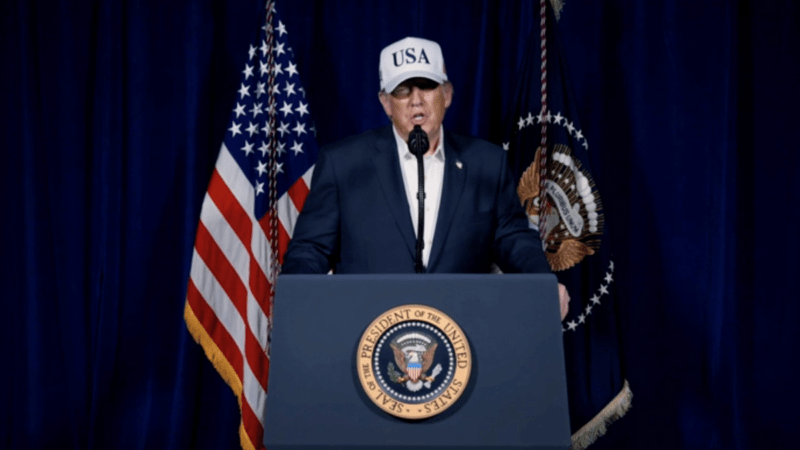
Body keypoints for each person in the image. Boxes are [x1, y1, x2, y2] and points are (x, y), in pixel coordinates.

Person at [281, 36, 569, 318]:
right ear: (385, 103)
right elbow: (311, 248)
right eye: (402, 90)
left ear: (447, 94)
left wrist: (543, 283)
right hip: (367, 330)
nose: (416, 101)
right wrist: (294, 297)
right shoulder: (343, 164)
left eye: (427, 86)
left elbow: (513, 238)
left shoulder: (487, 163)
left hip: (462, 328)